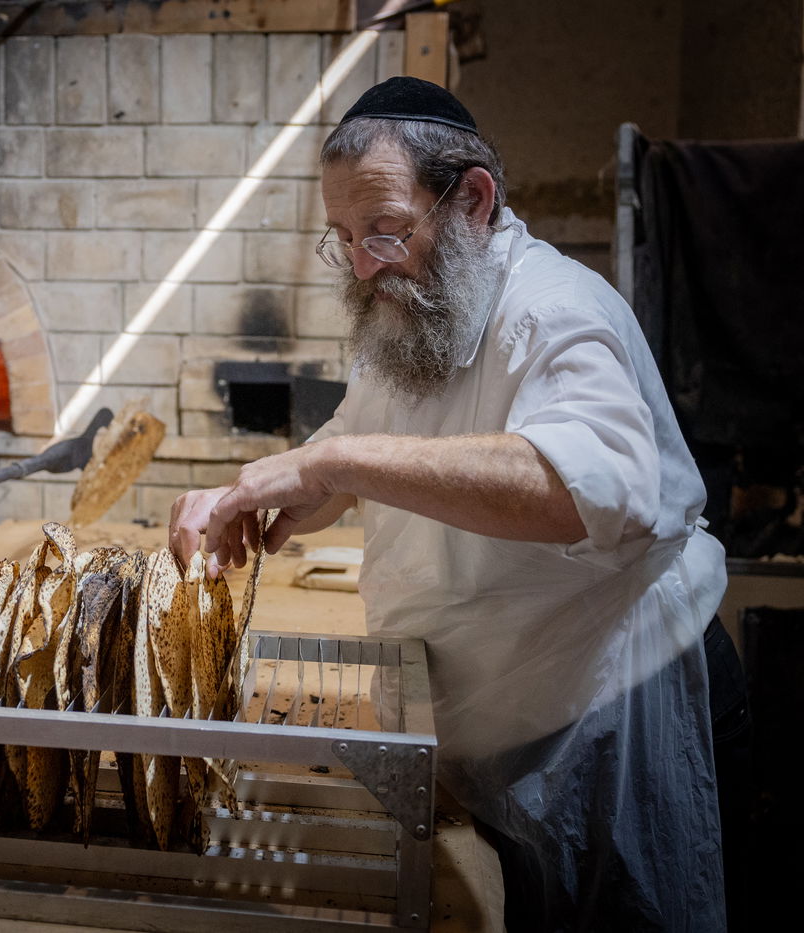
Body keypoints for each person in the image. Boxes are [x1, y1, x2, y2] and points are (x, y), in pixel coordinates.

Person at [169, 76, 736, 931]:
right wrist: (260, 485)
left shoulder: (557, 312)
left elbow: (584, 488)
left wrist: (339, 459)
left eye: (386, 231)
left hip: (615, 712)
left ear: (473, 199)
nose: (362, 266)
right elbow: (355, 453)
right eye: (344, 238)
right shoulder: (415, 319)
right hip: (497, 718)